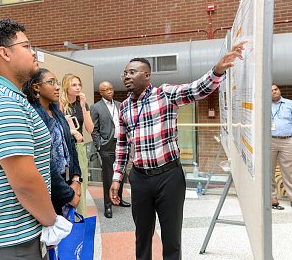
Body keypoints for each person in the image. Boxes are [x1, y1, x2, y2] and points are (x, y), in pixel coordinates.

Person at [110, 41, 247, 260]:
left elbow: (196, 89)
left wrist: (217, 70)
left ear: (147, 76)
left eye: (132, 72)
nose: (126, 76)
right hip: (139, 178)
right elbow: (123, 145)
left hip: (168, 177)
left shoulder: (165, 94)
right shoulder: (124, 107)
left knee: (171, 239)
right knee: (142, 235)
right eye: (125, 72)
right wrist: (117, 178)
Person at [0, 19, 61, 260]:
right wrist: (51, 219)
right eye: (26, 46)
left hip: (16, 235)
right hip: (8, 240)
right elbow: (25, 181)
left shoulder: (9, 97)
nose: (34, 53)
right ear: (4, 53)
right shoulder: (1, 103)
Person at [23, 68, 82, 215]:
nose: (57, 87)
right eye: (51, 82)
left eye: (57, 83)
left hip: (67, 179)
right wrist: (67, 194)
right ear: (36, 87)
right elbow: (44, 160)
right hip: (49, 186)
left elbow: (70, 144)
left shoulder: (56, 109)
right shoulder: (33, 114)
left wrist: (76, 178)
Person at [91, 81, 130, 219]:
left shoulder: (120, 105)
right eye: (105, 89)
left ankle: (118, 199)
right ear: (100, 92)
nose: (109, 91)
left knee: (121, 173)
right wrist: (99, 144)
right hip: (106, 146)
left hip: (121, 144)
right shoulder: (96, 108)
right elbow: (93, 129)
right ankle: (108, 204)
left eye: (111, 88)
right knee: (108, 177)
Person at [60, 74, 94, 216]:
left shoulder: (82, 104)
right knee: (67, 181)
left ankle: (81, 216)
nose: (78, 87)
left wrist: (83, 106)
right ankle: (66, 215)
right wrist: (73, 131)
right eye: (74, 84)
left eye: (79, 84)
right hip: (65, 147)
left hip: (79, 146)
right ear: (66, 86)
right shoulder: (60, 103)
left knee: (82, 180)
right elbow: (59, 126)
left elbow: (90, 128)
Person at [271, 84, 292, 213]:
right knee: (269, 171)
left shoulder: (290, 104)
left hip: (287, 141)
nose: (274, 92)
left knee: (288, 172)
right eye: (271, 91)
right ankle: (272, 196)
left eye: (275, 89)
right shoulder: (263, 104)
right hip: (269, 141)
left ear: (279, 90)